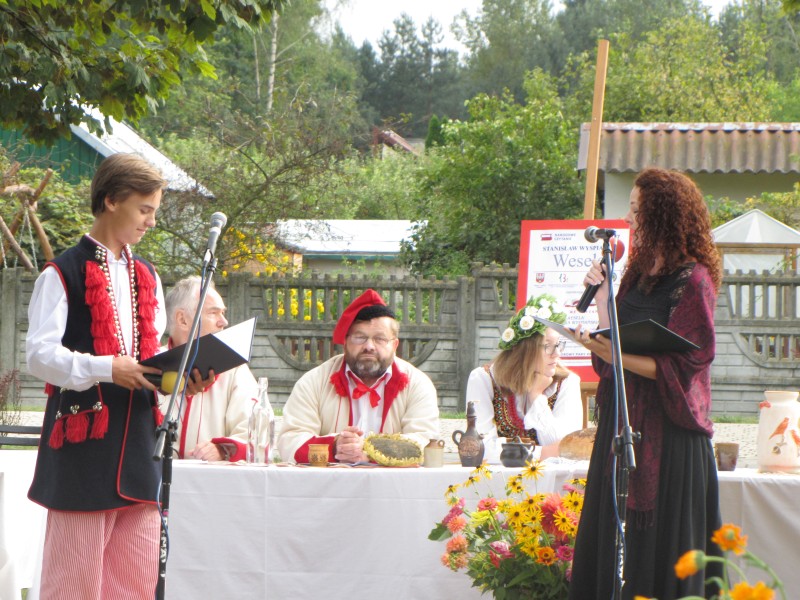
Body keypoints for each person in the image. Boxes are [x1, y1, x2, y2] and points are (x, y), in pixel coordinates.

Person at [567, 167, 723, 600]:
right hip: (622, 421)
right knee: (615, 538)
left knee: (661, 547)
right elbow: (616, 341)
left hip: (670, 435)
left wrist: (611, 353)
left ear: (662, 215)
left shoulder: (693, 280)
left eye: (636, 210)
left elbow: (689, 364)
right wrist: (603, 301)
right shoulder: (636, 273)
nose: (628, 218)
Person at [26, 153, 167, 599]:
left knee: (135, 587)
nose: (151, 222)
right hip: (83, 448)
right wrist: (105, 367)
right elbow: (39, 356)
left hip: (140, 449)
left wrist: (181, 375)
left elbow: (152, 356)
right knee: (74, 586)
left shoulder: (148, 275)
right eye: (144, 209)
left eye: (153, 211)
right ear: (111, 201)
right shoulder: (61, 273)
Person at [278, 288, 440, 464]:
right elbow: (290, 442)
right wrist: (335, 446)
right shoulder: (313, 382)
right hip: (330, 481)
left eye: (380, 339)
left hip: (393, 481)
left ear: (394, 345)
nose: (369, 346)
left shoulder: (418, 384)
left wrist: (369, 451)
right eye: (360, 337)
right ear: (345, 342)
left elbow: (425, 443)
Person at [467, 293, 582, 462]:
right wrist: (542, 453)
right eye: (548, 346)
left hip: (551, 476)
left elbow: (566, 448)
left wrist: (536, 396)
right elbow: (478, 447)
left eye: (558, 345)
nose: (557, 353)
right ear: (524, 350)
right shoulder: (484, 379)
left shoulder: (567, 382)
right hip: (497, 476)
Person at [159, 275, 263, 462]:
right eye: (214, 313)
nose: (224, 321)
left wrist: (224, 449)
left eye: (223, 313)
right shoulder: (147, 367)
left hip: (212, 479)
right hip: (154, 479)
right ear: (182, 319)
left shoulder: (235, 369)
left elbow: (256, 429)